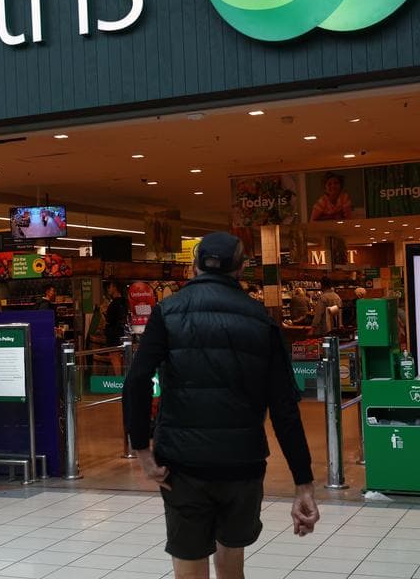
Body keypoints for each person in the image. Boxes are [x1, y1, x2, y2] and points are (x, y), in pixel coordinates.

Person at [123, 232, 318, 579]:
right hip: (241, 463)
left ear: (194, 266)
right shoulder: (262, 320)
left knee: (188, 564)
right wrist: (303, 482)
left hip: (181, 465)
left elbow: (137, 380)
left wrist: (142, 451)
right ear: (241, 268)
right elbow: (284, 407)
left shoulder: (167, 312)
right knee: (231, 562)